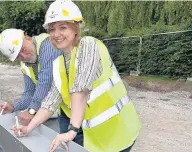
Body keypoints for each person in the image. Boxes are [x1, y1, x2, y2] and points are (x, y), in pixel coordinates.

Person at [11, 0, 141, 152]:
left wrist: (71, 131)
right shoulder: (59, 62)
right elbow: (50, 102)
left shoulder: (89, 45)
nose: (56, 34)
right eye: (52, 29)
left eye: (63, 27)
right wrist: (29, 128)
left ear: (75, 28)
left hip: (119, 130)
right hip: (96, 137)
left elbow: (81, 90)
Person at [0, 28, 62, 125]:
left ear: (28, 38)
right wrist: (13, 107)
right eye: (18, 56)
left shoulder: (47, 45)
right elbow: (29, 94)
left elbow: (45, 81)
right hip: (62, 109)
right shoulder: (25, 65)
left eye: (23, 49)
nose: (24, 56)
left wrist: (32, 110)